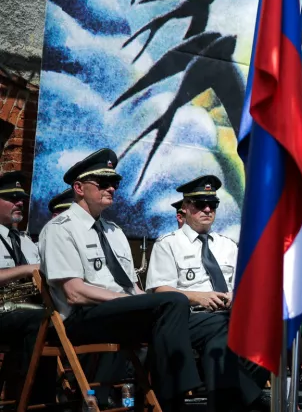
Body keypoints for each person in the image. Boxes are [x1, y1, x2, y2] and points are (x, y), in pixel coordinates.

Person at [38, 148, 200, 411]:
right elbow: (74, 293)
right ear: (79, 187)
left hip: (117, 312)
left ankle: (175, 396)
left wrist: (141, 298)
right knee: (172, 302)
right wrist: (129, 299)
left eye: (115, 183)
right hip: (84, 317)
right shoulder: (60, 229)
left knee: (198, 318)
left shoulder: (114, 231)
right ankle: (173, 398)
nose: (111, 189)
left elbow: (131, 285)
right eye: (102, 183)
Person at [145, 175, 269, 410]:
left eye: (212, 205)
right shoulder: (168, 243)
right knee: (223, 331)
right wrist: (197, 295)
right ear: (186, 207)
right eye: (200, 204)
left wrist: (236, 296)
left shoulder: (227, 244)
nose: (207, 209)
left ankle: (231, 398)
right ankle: (249, 397)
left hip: (227, 314)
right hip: (189, 316)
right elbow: (160, 289)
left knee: (269, 326)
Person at [0, 171, 50, 402]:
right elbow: (32, 269)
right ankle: (29, 398)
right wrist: (28, 269)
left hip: (22, 311)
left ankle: (32, 397)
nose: (19, 202)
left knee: (54, 317)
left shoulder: (27, 241)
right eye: (11, 197)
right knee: (40, 320)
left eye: (21, 197)